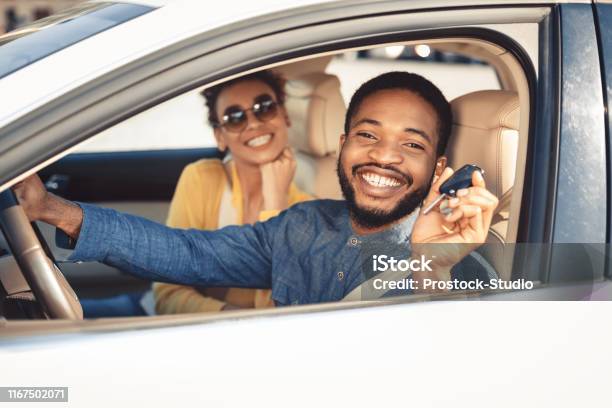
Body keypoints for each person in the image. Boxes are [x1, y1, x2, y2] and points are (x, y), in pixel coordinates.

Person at [14, 71, 500, 305]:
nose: (383, 156)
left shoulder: (459, 259)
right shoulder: (302, 224)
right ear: (343, 145)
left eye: (411, 145)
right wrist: (53, 209)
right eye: (368, 135)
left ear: (438, 170)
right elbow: (187, 252)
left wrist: (429, 266)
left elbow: (442, 370)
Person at [154, 70, 311, 313]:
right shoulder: (201, 179)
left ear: (285, 116)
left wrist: (275, 206)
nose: (254, 123)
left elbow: (282, 311)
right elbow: (167, 295)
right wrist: (229, 318)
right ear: (220, 137)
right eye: (235, 117)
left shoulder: (308, 212)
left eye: (265, 107)